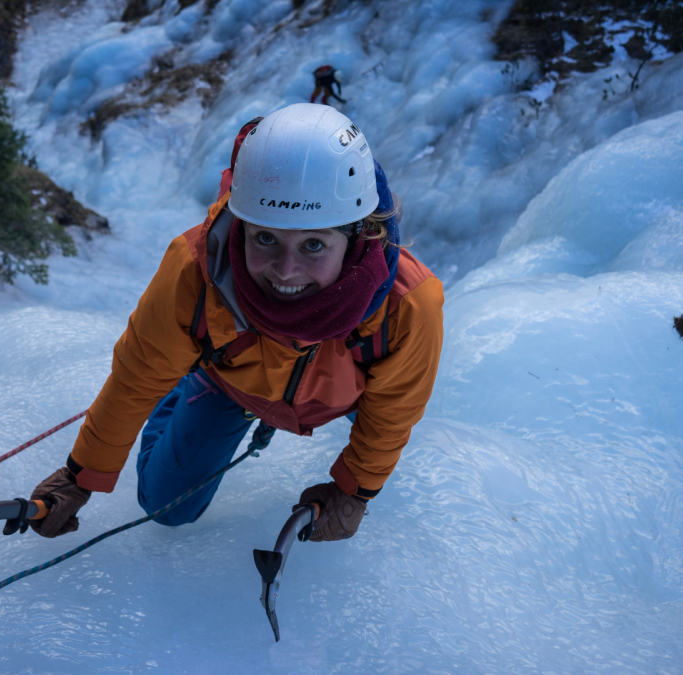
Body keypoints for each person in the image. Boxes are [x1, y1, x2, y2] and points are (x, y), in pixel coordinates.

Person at [29, 103, 443, 543]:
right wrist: (81, 475)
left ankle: (192, 362)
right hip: (233, 380)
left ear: (357, 236)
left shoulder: (407, 307)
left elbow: (393, 410)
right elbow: (137, 377)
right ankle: (187, 372)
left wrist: (355, 490)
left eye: (314, 245)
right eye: (266, 237)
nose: (285, 271)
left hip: (337, 390)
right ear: (240, 226)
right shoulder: (195, 270)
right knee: (166, 507)